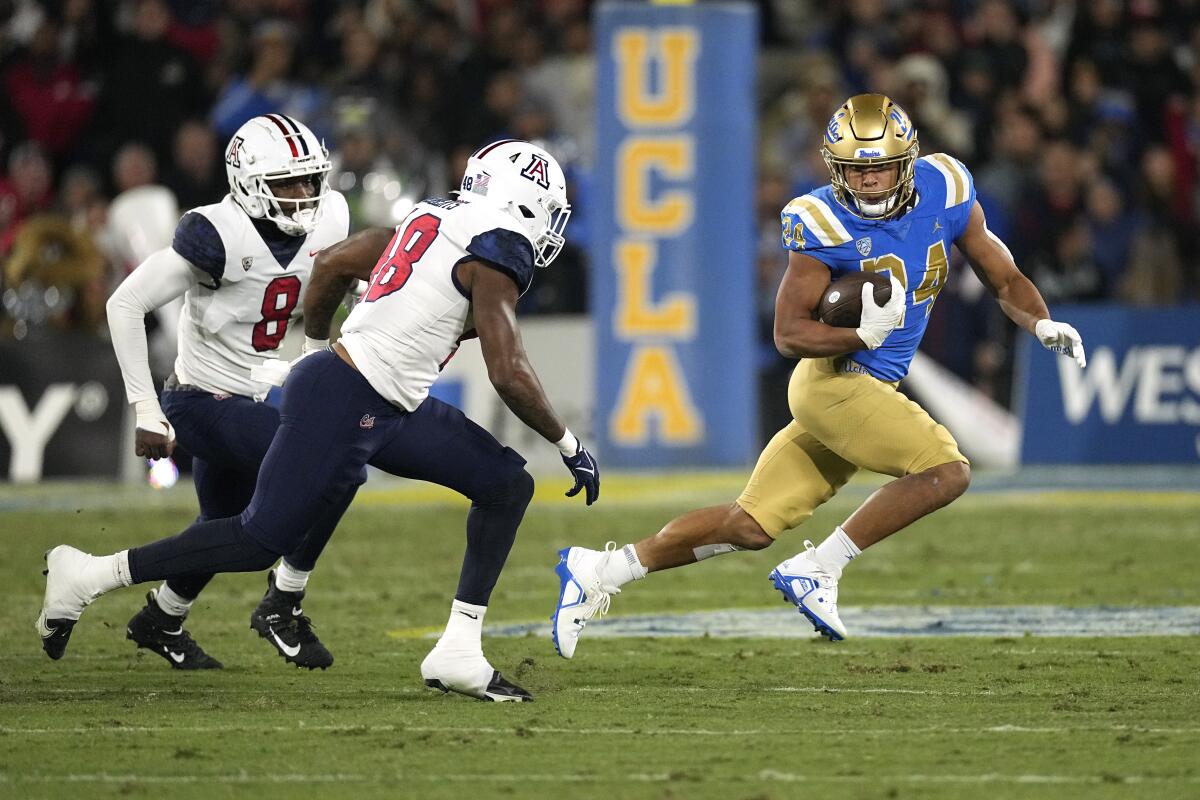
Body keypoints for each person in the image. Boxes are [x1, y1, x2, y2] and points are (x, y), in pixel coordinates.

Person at [39, 139, 599, 703]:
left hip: (384, 400)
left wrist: (314, 347)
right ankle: (89, 574)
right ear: (521, 201)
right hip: (349, 396)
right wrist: (568, 441)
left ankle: (458, 649)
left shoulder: (437, 213)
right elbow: (508, 371)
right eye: (548, 208)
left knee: (504, 483)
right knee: (258, 537)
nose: (549, 224)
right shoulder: (498, 248)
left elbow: (333, 264)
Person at [551, 94, 1086, 658]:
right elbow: (788, 333)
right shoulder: (820, 220)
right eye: (856, 168)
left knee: (749, 526)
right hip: (833, 383)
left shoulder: (947, 186)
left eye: (880, 166)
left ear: (908, 161)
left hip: (870, 390)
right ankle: (819, 567)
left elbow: (1003, 278)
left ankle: (602, 570)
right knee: (946, 471)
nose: (871, 181)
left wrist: (1042, 323)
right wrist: (861, 337)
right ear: (836, 167)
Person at [102, 113, 356, 670]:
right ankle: (284, 600)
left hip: (265, 386)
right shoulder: (217, 233)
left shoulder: (331, 215)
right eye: (286, 184)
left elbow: (344, 282)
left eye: (309, 180)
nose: (303, 195)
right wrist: (146, 409)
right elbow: (124, 303)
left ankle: (161, 618)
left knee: (223, 525)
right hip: (202, 399)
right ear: (248, 183)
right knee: (334, 464)